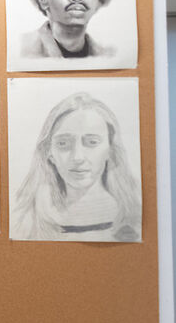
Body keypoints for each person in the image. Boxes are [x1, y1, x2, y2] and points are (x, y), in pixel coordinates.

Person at [12, 92, 141, 241]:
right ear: (49, 152)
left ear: (110, 150)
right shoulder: (26, 221)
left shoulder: (133, 218)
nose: (78, 157)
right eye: (63, 144)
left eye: (92, 142)